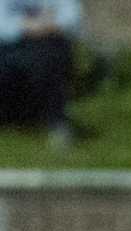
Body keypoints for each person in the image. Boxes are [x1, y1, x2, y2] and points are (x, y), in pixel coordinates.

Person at [0, 0, 82, 148]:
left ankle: (57, 124)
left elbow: (72, 19)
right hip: (8, 47)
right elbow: (3, 25)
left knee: (53, 53)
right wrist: (27, 26)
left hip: (47, 44)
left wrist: (43, 26)